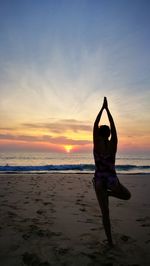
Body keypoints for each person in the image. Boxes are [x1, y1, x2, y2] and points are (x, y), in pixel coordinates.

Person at [93, 97, 131, 246]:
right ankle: (109, 193)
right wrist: (107, 110)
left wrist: (101, 109)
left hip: (99, 181)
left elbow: (94, 125)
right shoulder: (113, 144)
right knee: (127, 195)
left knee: (105, 213)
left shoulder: (96, 144)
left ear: (99, 134)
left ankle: (110, 242)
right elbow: (113, 126)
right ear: (109, 134)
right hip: (112, 179)